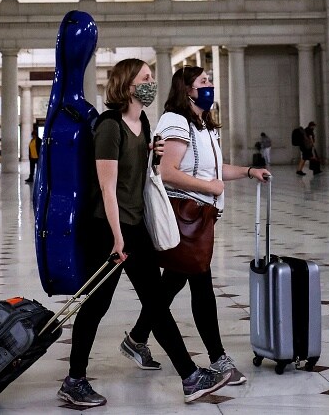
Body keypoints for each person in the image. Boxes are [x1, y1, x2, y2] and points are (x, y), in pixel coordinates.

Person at [57, 59, 232, 407]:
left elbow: (142, 176)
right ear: (127, 84)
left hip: (134, 227)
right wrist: (117, 238)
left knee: (155, 303)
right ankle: (74, 380)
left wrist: (153, 157)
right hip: (108, 229)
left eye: (151, 77)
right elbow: (107, 189)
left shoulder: (143, 123)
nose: (152, 82)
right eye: (146, 78)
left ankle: (190, 377)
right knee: (96, 306)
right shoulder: (110, 127)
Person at [122, 65, 269, 386]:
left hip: (201, 217)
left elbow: (213, 169)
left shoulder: (204, 124)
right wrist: (210, 189)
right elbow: (168, 171)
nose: (210, 85)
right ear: (187, 89)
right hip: (184, 214)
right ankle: (219, 360)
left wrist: (247, 171)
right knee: (201, 284)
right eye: (203, 82)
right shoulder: (176, 121)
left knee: (172, 282)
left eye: (210, 80)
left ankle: (136, 338)